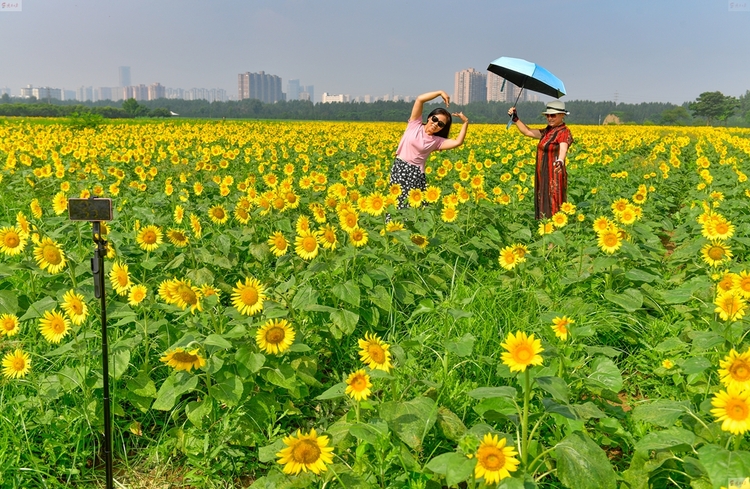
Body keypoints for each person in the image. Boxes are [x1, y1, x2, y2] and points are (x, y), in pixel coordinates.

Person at [389, 90, 469, 211]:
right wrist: (440, 92)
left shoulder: (437, 141)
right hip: (399, 168)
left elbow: (458, 142)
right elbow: (420, 99)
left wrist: (465, 122)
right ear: (429, 117)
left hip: (414, 174)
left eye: (441, 124)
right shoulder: (414, 124)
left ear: (443, 128)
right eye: (435, 119)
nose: (436, 124)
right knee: (395, 205)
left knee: (409, 209)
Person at [508, 101, 573, 220]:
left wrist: (560, 160)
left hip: (554, 175)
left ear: (562, 115)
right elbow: (527, 132)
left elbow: (563, 147)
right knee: (543, 202)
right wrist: (515, 118)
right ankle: (544, 229)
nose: (549, 118)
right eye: (548, 115)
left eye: (553, 115)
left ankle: (555, 233)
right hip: (543, 174)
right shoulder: (547, 131)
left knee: (554, 204)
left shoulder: (564, 132)